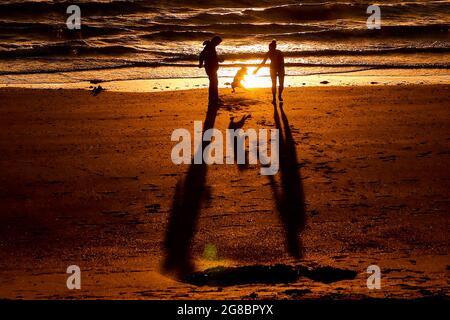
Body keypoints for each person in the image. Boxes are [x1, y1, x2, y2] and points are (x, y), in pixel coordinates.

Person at [199, 36, 223, 105]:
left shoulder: (211, 46)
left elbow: (212, 57)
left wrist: (219, 60)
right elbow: (202, 55)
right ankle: (213, 98)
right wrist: (200, 64)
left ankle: (214, 98)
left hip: (212, 68)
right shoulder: (209, 47)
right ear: (215, 41)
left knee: (214, 82)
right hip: (210, 68)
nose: (218, 44)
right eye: (218, 42)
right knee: (214, 82)